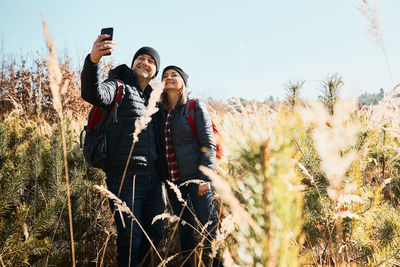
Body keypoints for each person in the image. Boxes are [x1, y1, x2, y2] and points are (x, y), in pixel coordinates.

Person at [81, 34, 164, 266]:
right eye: (140, 58)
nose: (144, 62)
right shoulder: (118, 85)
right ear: (132, 63)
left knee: (155, 235)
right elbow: (93, 93)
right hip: (124, 176)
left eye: (150, 61)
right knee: (130, 240)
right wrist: (94, 61)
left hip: (153, 179)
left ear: (155, 71)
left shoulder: (154, 100)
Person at [154, 66, 222, 267]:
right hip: (173, 180)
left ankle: (216, 262)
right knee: (184, 225)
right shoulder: (160, 111)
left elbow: (208, 143)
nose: (169, 78)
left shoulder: (194, 106)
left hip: (196, 178)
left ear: (183, 81)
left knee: (208, 224)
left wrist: (205, 178)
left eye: (174, 75)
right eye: (165, 76)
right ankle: (188, 262)